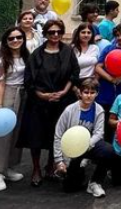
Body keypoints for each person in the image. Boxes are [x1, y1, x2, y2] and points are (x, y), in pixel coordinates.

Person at [20, 19, 80, 186]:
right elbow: (29, 80)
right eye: (52, 32)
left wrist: (65, 91)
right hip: (38, 102)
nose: (55, 35)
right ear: (45, 34)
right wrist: (42, 95)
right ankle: (36, 169)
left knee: (57, 134)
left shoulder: (68, 52)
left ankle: (51, 165)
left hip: (62, 100)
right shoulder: (36, 54)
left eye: (59, 32)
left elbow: (74, 74)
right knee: (36, 136)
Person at [53, 77, 112, 197]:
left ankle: (95, 182)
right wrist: (59, 161)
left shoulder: (99, 110)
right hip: (72, 150)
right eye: (86, 92)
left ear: (97, 94)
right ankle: (77, 169)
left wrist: (86, 145)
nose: (89, 96)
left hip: (88, 146)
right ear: (80, 93)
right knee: (70, 188)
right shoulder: (70, 110)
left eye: (92, 92)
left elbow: (99, 132)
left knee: (109, 151)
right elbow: (58, 135)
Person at [0, 26, 29, 191]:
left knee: (16, 134)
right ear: (5, 41)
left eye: (19, 37)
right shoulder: (2, 59)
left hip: (23, 95)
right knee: (2, 135)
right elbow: (0, 83)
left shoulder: (26, 56)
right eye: (11, 38)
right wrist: (0, 106)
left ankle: (9, 166)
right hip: (8, 94)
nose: (15, 41)